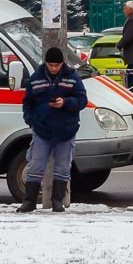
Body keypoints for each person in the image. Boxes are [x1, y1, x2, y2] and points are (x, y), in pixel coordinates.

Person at [19, 47, 88, 213]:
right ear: (46, 63)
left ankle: (58, 201)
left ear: (62, 63)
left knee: (63, 168)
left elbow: (82, 100)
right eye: (51, 65)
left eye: (57, 65)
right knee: (35, 166)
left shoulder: (72, 77)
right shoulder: (35, 78)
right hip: (42, 130)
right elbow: (27, 102)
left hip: (66, 130)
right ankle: (29, 202)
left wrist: (65, 102)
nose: (54, 68)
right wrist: (31, 121)